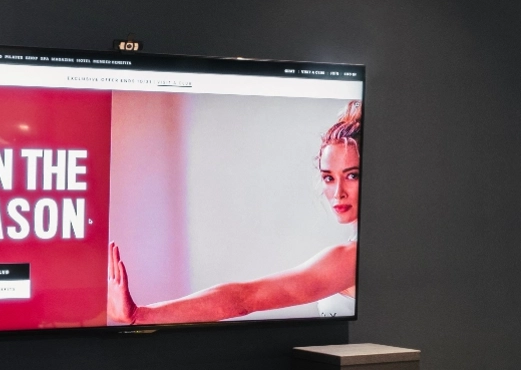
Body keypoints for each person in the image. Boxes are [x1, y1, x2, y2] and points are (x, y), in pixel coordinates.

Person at [107, 100, 361, 324]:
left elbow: (243, 299)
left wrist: (142, 315)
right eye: (328, 178)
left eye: (351, 175)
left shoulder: (350, 259)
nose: (338, 192)